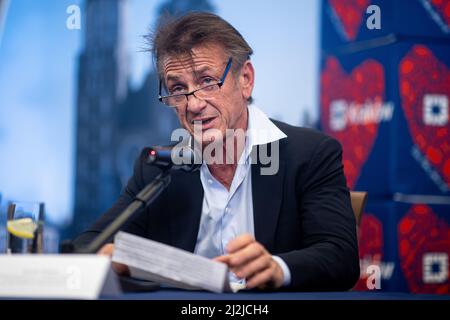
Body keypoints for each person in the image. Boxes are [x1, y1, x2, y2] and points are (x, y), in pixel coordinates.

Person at [73, 12, 359, 291]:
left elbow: (340, 257)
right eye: (178, 88)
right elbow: (90, 244)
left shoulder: (310, 154)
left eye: (207, 81)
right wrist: (116, 257)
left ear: (245, 79)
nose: (194, 104)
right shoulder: (157, 167)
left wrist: (277, 267)